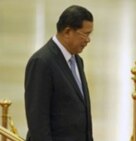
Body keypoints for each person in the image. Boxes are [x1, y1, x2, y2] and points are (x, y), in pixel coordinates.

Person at [24, 5, 94, 141]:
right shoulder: (42, 62)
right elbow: (38, 123)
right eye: (85, 34)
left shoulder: (77, 61)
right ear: (68, 32)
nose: (88, 40)